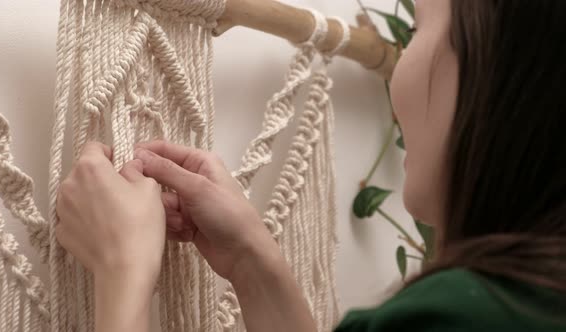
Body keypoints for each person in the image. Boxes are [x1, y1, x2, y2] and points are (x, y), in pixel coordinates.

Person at [55, 0, 566, 331]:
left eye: (418, 34)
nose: (398, 77)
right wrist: (253, 262)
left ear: (501, 74)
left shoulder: (464, 317)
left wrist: (122, 270)